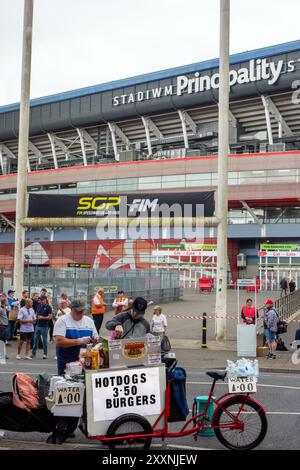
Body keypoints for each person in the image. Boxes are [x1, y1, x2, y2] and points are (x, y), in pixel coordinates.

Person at [53, 298, 99, 375]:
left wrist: (95, 341)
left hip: (86, 363)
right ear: (72, 309)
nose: (80, 313)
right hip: (67, 363)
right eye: (78, 311)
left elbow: (96, 339)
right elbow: (59, 341)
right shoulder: (62, 320)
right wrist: (79, 341)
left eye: (82, 311)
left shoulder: (90, 321)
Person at [31, 295, 52, 359]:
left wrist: (42, 317)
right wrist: (35, 319)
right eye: (40, 300)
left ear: (45, 300)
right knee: (35, 340)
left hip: (45, 326)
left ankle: (45, 354)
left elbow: (50, 317)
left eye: (42, 300)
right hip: (38, 325)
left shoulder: (48, 307)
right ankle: (33, 353)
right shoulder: (39, 306)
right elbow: (37, 315)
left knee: (44, 341)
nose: (41, 301)